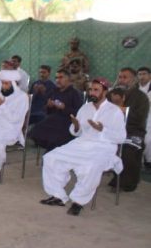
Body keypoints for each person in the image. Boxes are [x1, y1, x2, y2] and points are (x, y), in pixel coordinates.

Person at [40, 77, 126, 216]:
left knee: (90, 166)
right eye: (91, 89)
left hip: (103, 146)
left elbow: (121, 137)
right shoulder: (85, 108)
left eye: (96, 90)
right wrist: (76, 126)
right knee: (51, 158)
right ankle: (58, 196)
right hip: (82, 143)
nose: (92, 92)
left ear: (105, 92)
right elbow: (77, 132)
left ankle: (78, 202)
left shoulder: (114, 111)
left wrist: (102, 130)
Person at [109, 67, 149, 192]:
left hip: (134, 132)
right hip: (116, 130)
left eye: (125, 77)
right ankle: (117, 178)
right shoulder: (115, 95)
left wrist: (123, 110)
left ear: (134, 79)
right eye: (120, 77)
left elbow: (139, 118)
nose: (121, 80)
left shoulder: (141, 97)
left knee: (127, 151)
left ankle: (128, 183)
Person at [28, 69, 84, 152]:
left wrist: (64, 108)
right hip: (53, 119)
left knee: (55, 137)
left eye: (61, 77)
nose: (58, 80)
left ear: (68, 79)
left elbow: (79, 113)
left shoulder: (75, 93)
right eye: (56, 78)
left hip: (68, 122)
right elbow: (47, 111)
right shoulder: (54, 91)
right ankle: (51, 152)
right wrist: (49, 106)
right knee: (38, 130)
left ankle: (52, 153)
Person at [137, 66, 151, 169]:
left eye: (144, 74)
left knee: (148, 140)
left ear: (149, 75)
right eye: (140, 74)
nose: (142, 77)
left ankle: (149, 161)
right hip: (138, 117)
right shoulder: (135, 88)